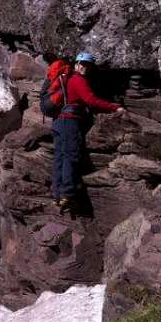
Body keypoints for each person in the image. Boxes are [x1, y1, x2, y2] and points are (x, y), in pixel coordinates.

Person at [52, 52, 125, 212]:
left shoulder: (68, 78)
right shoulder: (78, 80)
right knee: (70, 156)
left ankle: (57, 194)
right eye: (83, 64)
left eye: (88, 65)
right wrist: (115, 107)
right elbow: (91, 100)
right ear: (77, 64)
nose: (85, 67)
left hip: (58, 121)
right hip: (69, 122)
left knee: (59, 157)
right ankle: (67, 194)